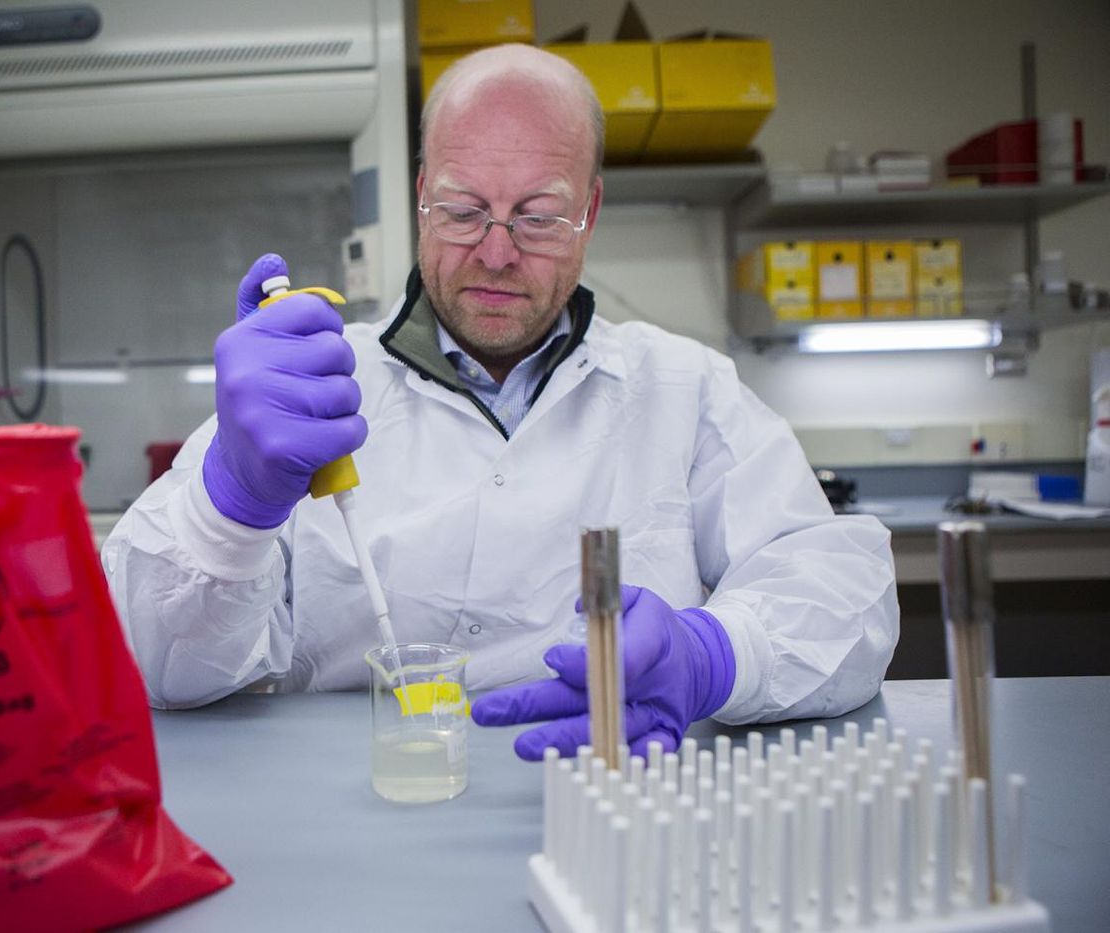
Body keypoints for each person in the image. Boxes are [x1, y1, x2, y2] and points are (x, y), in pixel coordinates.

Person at [101, 44, 898, 760]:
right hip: (364, 813)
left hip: (621, 807)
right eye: (462, 209)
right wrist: (228, 510)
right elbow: (143, 661)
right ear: (421, 196)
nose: (495, 250)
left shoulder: (684, 389)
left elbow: (842, 593)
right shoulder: (316, 388)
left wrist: (716, 653)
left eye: (538, 216)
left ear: (589, 212)